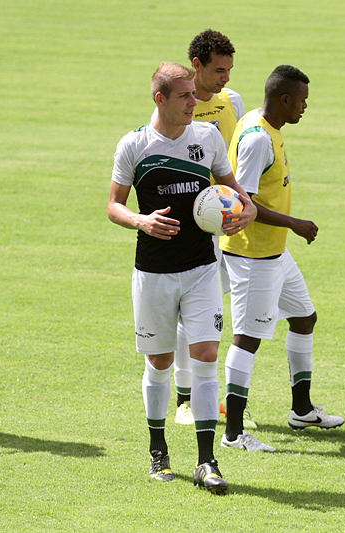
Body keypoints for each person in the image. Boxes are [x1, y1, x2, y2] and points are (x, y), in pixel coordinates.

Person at [108, 62, 256, 492]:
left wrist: (245, 211)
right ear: (161, 99)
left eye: (194, 94)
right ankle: (158, 450)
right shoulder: (134, 145)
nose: (195, 102)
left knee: (206, 355)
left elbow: (235, 192)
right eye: (185, 96)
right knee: (160, 362)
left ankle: (207, 461)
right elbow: (114, 205)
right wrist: (140, 220)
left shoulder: (207, 138)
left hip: (201, 268)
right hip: (153, 271)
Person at [219, 65, 345, 453]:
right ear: (284, 99)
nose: (305, 107)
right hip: (253, 255)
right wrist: (295, 223)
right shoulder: (259, 139)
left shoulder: (263, 125)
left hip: (275, 252)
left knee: (304, 317)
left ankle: (301, 410)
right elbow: (244, 202)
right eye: (302, 100)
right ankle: (233, 434)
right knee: (247, 339)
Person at [165, 29, 255, 430]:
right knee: (190, 315)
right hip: (192, 226)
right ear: (196, 65)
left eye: (229, 70)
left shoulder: (232, 102)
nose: (226, 78)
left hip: (230, 223)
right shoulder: (177, 107)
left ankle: (226, 402)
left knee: (223, 313)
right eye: (219, 70)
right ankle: (185, 399)